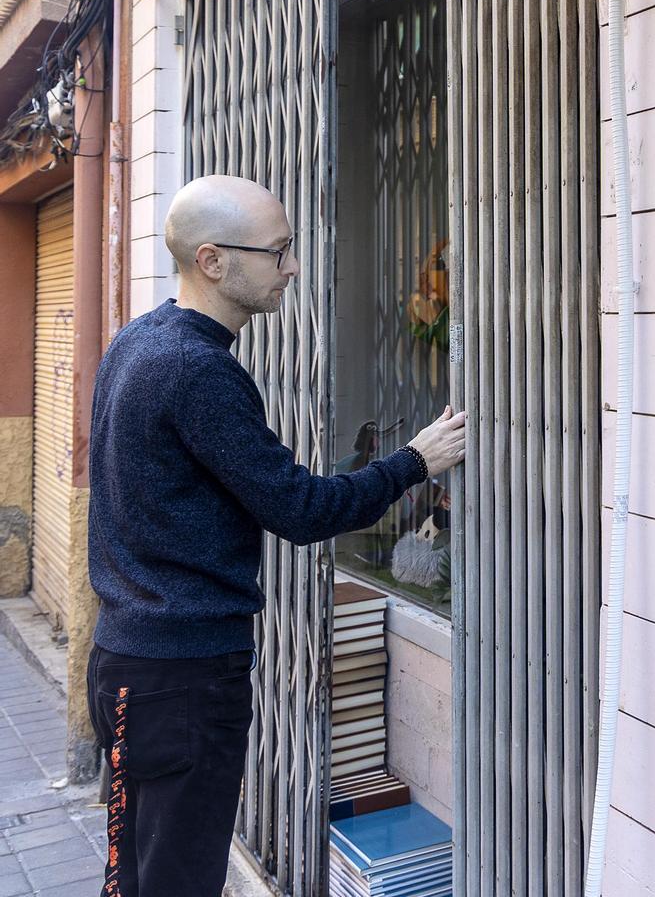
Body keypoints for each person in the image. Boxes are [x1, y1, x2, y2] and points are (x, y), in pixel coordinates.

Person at [85, 175, 467, 897]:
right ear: (213, 261)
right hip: (182, 680)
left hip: (129, 664)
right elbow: (300, 508)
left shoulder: (138, 341)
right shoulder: (199, 371)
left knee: (133, 875)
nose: (293, 268)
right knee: (174, 881)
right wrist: (415, 461)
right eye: (280, 251)